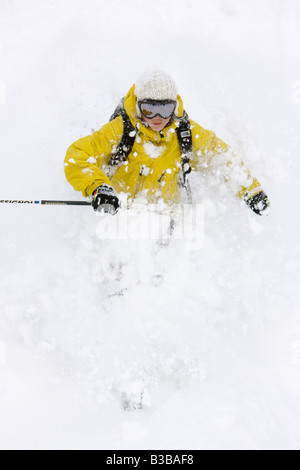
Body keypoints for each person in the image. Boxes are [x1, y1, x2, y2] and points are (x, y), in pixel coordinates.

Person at [64, 69, 270, 216]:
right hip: (118, 218)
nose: (157, 118)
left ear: (175, 106)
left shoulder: (184, 133)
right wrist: (99, 189)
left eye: (165, 110)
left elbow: (220, 158)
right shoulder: (121, 130)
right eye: (149, 109)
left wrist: (251, 190)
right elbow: (77, 156)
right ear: (138, 105)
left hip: (165, 224)